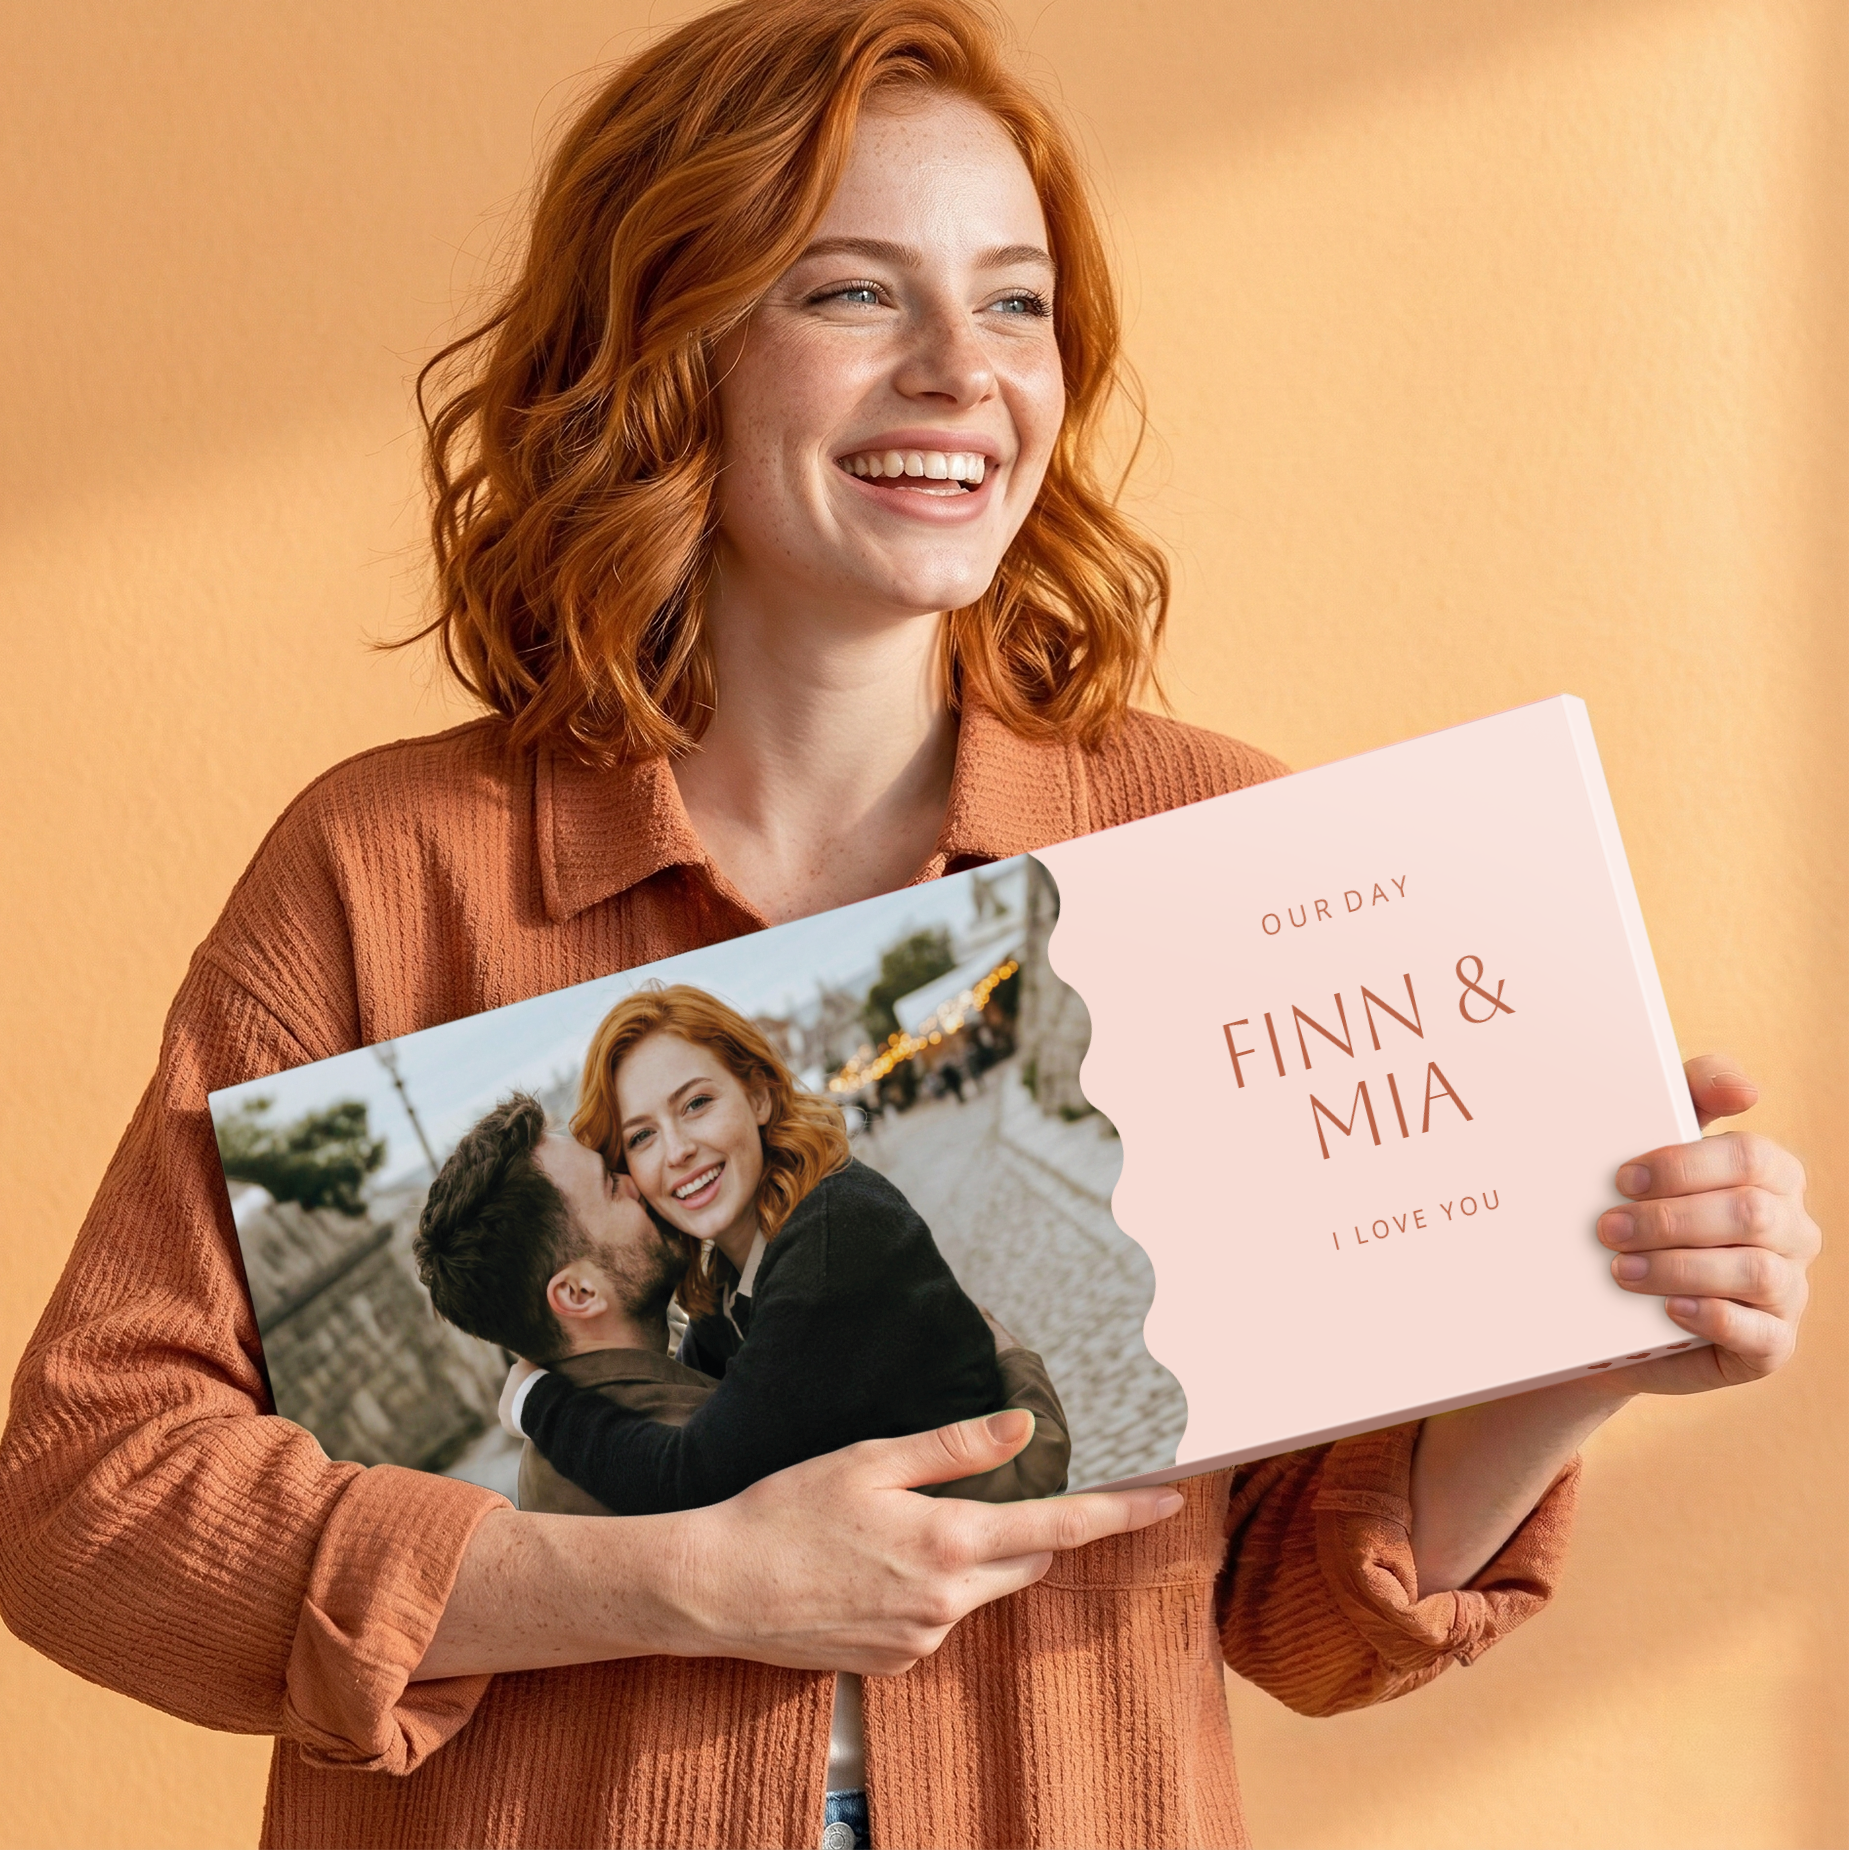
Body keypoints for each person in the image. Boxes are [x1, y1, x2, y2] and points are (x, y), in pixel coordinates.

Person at [0, 4, 1818, 1848]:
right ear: (671, 348)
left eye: (1015, 302)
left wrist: (1589, 1340)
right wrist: (677, 1583)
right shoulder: (388, 872)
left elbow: (1300, 1619)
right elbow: (84, 1502)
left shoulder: (1213, 847)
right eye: (855, 293)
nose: (963, 370)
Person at [411, 1087, 1071, 1513]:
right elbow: (998, 1488)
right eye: (613, 1186)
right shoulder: (670, 1443)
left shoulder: (623, 1402)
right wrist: (1006, 1355)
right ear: (579, 1293)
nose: (642, 1179)